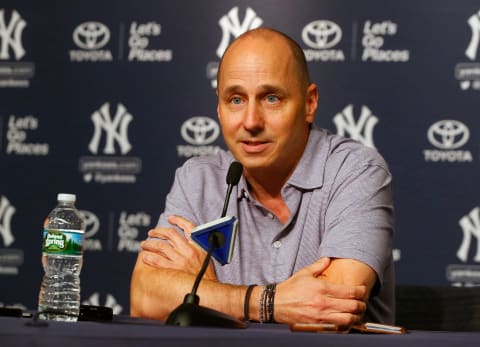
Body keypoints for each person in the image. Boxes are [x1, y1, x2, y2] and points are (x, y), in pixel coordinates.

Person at [130, 27, 395, 328]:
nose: (252, 121)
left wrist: (204, 292)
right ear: (219, 107)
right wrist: (268, 302)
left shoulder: (356, 171)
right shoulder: (197, 180)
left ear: (310, 103)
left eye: (271, 98)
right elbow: (145, 297)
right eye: (236, 100)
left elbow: (332, 308)